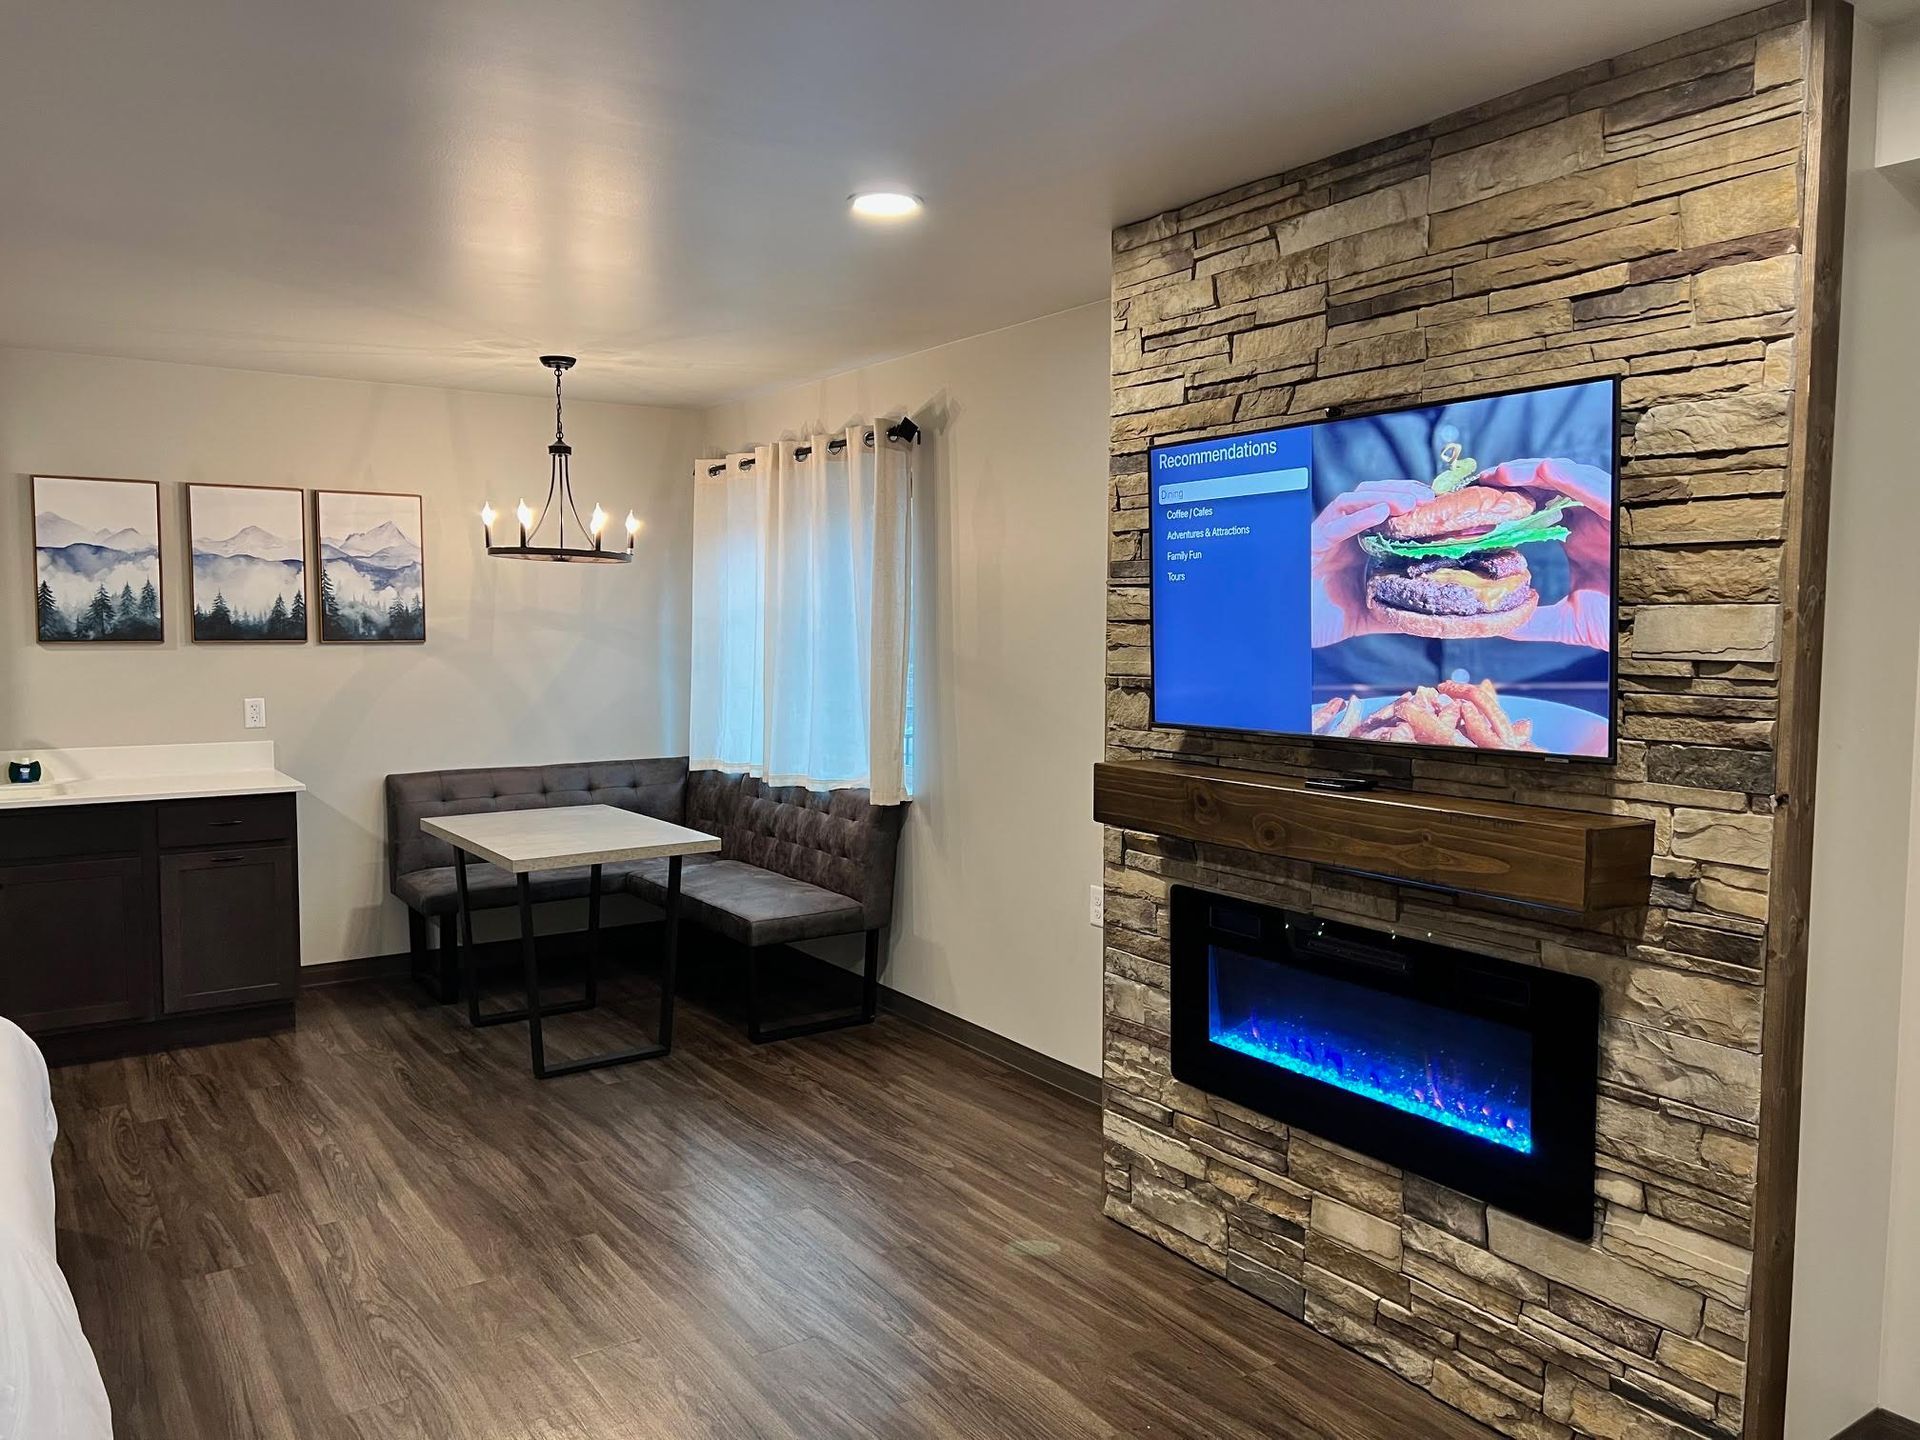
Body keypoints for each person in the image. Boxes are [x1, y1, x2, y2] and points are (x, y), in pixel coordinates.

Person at [1306, 387, 1614, 712]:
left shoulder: (1593, 397)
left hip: (1568, 700)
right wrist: (1291, 619)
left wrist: (1624, 612)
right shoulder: (1312, 431)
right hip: (1361, 698)